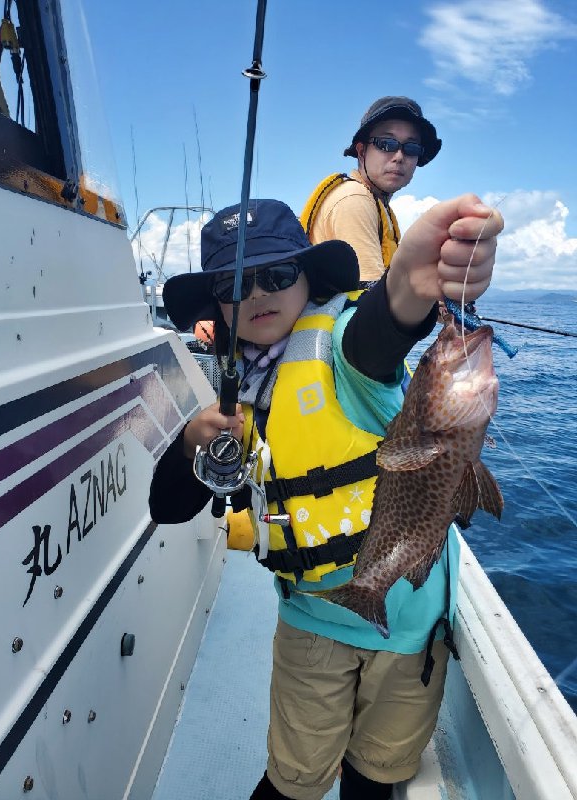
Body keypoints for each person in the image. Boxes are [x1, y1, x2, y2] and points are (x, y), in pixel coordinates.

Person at [151, 195, 502, 800]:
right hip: (309, 620)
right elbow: (167, 507)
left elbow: (381, 328)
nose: (258, 294)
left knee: (375, 777)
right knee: (292, 781)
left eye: (278, 275)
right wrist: (189, 445)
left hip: (409, 627)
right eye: (236, 284)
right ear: (217, 305)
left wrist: (413, 282)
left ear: (309, 279)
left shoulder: (342, 349)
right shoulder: (237, 392)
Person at [301, 96, 441, 284]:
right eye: (386, 144)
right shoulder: (355, 199)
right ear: (361, 152)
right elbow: (370, 300)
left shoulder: (379, 205)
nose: (399, 156)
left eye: (411, 147)